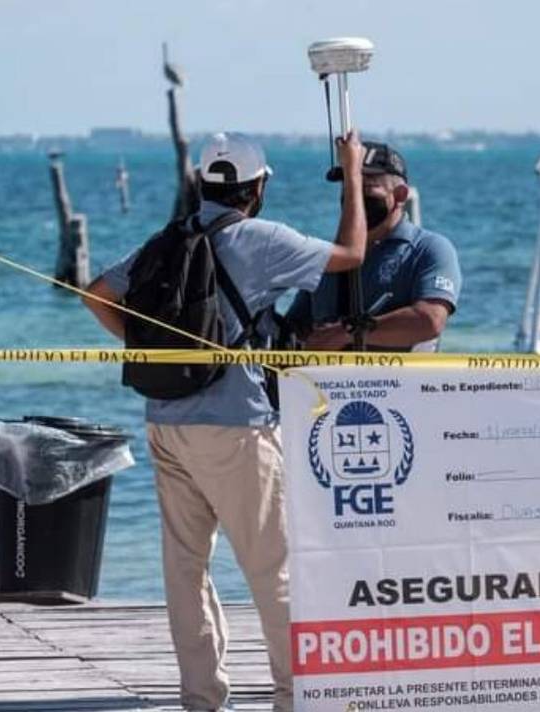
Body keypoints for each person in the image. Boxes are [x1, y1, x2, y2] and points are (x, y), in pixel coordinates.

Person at [81, 131, 366, 712]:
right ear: (257, 188)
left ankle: (202, 697)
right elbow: (352, 253)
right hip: (236, 425)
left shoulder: (168, 239)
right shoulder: (262, 238)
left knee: (186, 568)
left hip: (166, 420)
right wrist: (353, 173)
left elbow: (97, 295)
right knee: (273, 569)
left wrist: (152, 349)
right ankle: (295, 696)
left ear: (202, 184)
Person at [286, 142, 461, 352]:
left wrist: (349, 332)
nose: (354, 199)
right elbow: (295, 326)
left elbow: (429, 320)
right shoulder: (330, 257)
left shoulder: (428, 250)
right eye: (350, 188)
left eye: (365, 188)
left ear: (400, 195)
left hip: (398, 374)